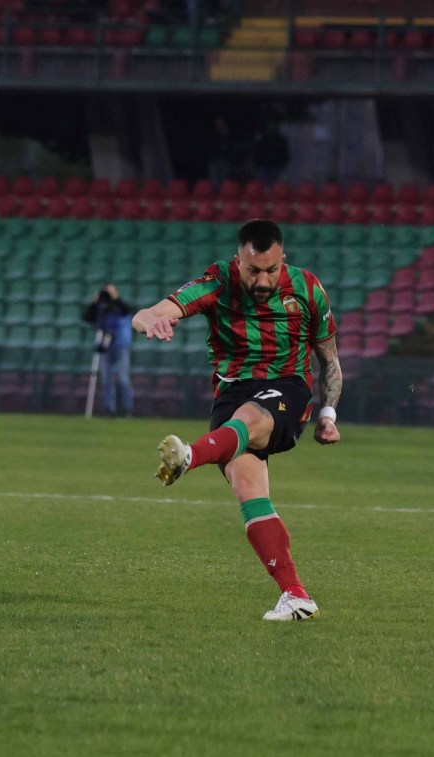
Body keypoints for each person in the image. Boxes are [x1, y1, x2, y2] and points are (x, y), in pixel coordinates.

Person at [131, 219, 342, 622]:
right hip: (231, 393)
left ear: (283, 260)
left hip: (288, 387)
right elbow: (149, 312)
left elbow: (329, 359)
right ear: (238, 260)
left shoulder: (308, 289)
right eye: (253, 270)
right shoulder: (218, 282)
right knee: (249, 492)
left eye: (271, 270)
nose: (263, 280)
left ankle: (190, 457)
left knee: (251, 416)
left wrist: (328, 413)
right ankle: (296, 596)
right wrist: (151, 322)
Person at [82, 283, 134, 417]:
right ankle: (109, 409)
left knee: (123, 379)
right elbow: (87, 316)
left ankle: (127, 409)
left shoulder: (121, 306)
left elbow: (126, 310)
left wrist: (115, 298)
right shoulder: (101, 308)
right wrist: (95, 302)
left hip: (121, 345)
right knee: (106, 379)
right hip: (106, 347)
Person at [252, 120, 290, 184]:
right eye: (270, 126)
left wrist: (281, 164)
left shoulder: (281, 140)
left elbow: (284, 154)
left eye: (272, 126)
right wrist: (258, 163)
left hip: (275, 167)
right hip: (263, 167)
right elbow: (256, 152)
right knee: (261, 185)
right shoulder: (262, 140)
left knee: (274, 186)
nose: (271, 128)